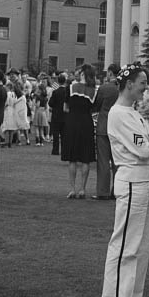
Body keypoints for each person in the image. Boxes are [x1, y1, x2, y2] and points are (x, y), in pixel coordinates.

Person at [100, 64, 149, 297]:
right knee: (125, 242)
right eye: (142, 82)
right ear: (128, 84)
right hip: (131, 180)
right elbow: (144, 148)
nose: (145, 87)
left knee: (141, 244)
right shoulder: (118, 114)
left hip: (145, 179)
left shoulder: (134, 113)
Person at [62, 65, 97, 198]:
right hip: (86, 123)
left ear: (82, 74)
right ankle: (82, 189)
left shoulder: (70, 88)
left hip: (72, 122)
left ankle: (72, 189)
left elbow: (65, 108)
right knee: (85, 159)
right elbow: (93, 109)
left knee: (72, 159)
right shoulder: (93, 91)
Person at [91, 64, 120, 199]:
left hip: (104, 125)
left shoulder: (104, 88)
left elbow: (96, 105)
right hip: (119, 127)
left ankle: (102, 191)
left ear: (109, 73)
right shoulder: (122, 88)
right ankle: (117, 190)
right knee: (117, 161)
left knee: (103, 160)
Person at [48, 73, 68, 155]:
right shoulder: (67, 92)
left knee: (55, 134)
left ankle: (55, 150)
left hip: (56, 115)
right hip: (64, 115)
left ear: (58, 82)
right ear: (65, 81)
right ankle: (64, 150)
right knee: (64, 134)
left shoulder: (55, 92)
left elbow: (51, 103)